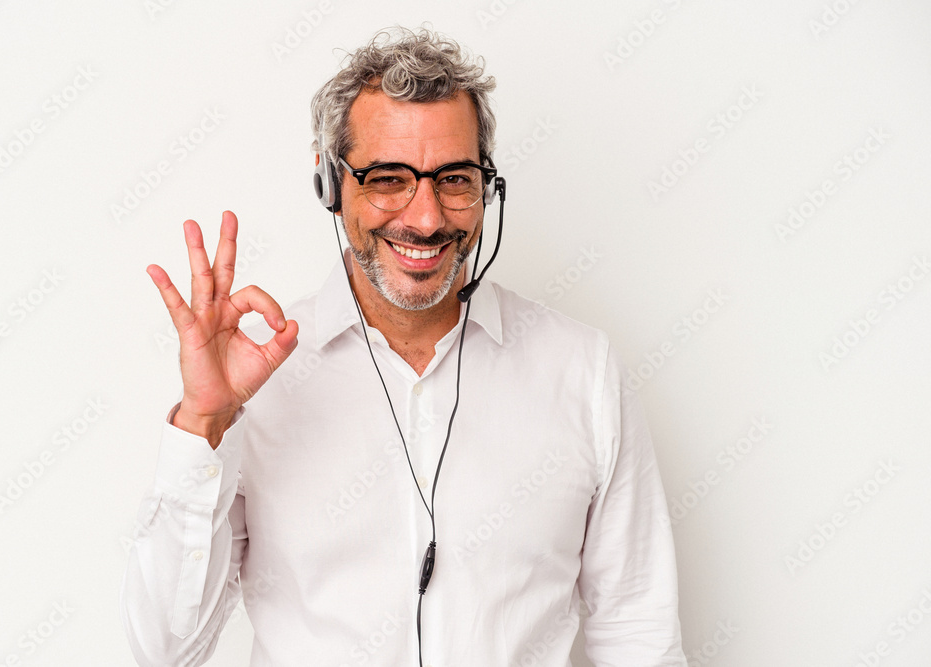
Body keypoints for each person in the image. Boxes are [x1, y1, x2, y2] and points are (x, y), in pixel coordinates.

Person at [121, 26, 686, 667]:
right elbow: (164, 649)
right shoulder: (258, 383)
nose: (425, 218)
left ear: (486, 186)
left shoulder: (582, 372)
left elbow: (639, 634)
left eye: (454, 178)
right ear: (330, 185)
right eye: (388, 178)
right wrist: (203, 424)